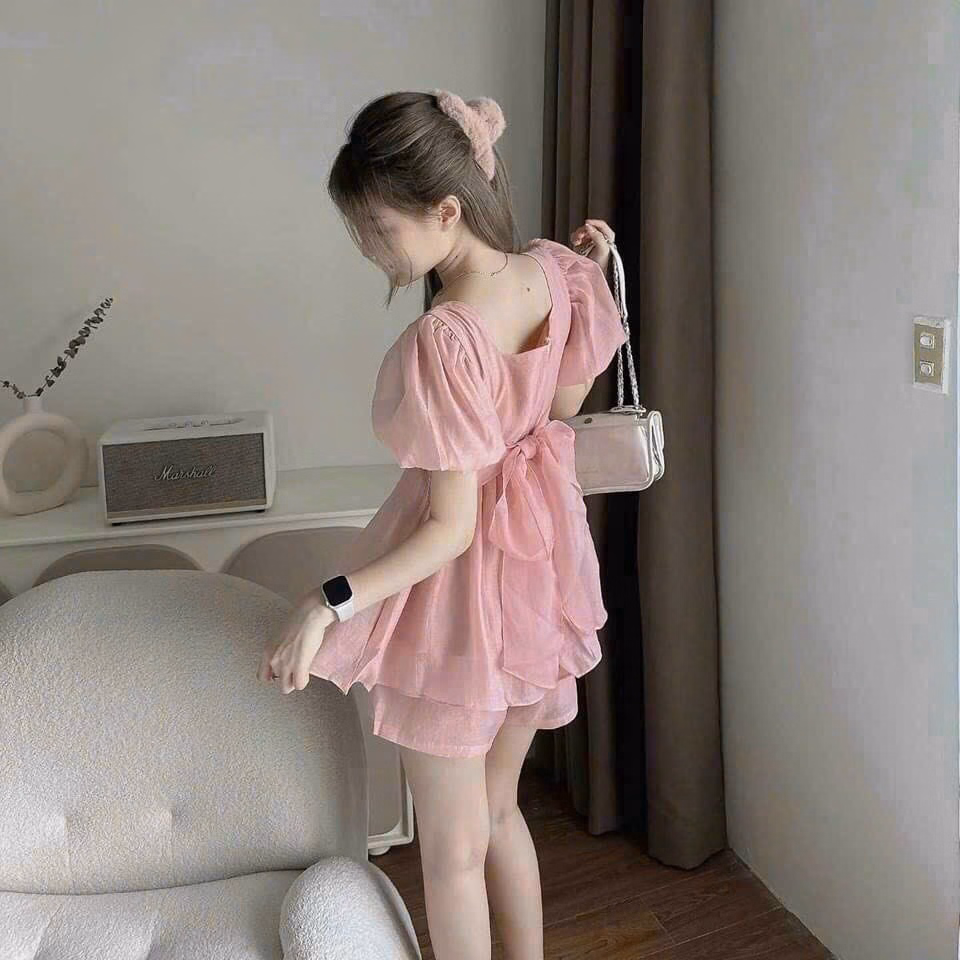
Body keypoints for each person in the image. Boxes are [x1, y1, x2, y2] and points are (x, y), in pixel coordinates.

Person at [257, 89, 628, 960]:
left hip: (461, 602)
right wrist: (592, 275)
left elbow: (450, 528)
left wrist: (329, 600)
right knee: (499, 814)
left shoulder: (445, 337)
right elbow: (563, 408)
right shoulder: (555, 273)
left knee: (452, 852)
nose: (370, 247)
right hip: (537, 574)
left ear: (447, 211)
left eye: (380, 228)